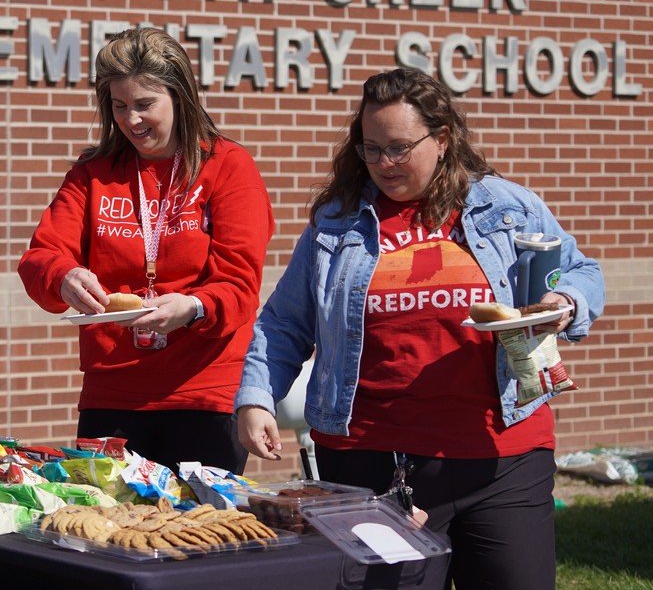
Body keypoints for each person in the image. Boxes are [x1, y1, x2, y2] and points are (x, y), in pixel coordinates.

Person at [235, 67, 604, 590]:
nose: (384, 163)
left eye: (400, 148)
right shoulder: (336, 222)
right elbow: (284, 322)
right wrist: (255, 398)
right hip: (368, 464)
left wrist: (565, 300)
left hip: (502, 460)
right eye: (371, 148)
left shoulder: (505, 206)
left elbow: (583, 271)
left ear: (443, 139)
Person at [19, 27, 274, 475]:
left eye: (144, 105)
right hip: (113, 393)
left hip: (204, 391)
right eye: (119, 106)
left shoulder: (228, 166)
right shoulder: (93, 174)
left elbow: (240, 283)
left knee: (195, 535)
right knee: (108, 532)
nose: (131, 120)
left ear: (180, 97)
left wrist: (193, 306)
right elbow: (40, 256)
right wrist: (64, 276)